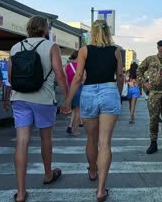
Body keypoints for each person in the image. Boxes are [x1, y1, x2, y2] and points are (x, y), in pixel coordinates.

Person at [8, 16, 69, 202]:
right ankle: (48, 174)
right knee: (45, 138)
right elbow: (59, 74)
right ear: (45, 29)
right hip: (43, 98)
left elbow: (11, 78)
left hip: (19, 98)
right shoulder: (51, 46)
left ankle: (20, 192)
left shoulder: (15, 47)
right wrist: (67, 98)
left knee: (22, 142)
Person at [61, 19, 123, 202]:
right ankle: (101, 190)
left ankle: (93, 171)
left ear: (92, 33)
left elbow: (78, 77)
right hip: (109, 90)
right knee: (105, 143)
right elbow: (120, 76)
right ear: (107, 33)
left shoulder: (84, 50)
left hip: (88, 93)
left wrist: (68, 101)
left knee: (91, 139)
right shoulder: (116, 51)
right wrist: (117, 94)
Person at [65, 51, 82, 136]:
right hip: (78, 88)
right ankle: (75, 130)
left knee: (74, 109)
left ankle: (70, 125)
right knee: (78, 110)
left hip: (69, 89)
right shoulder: (81, 66)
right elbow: (83, 78)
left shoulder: (67, 66)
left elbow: (65, 78)